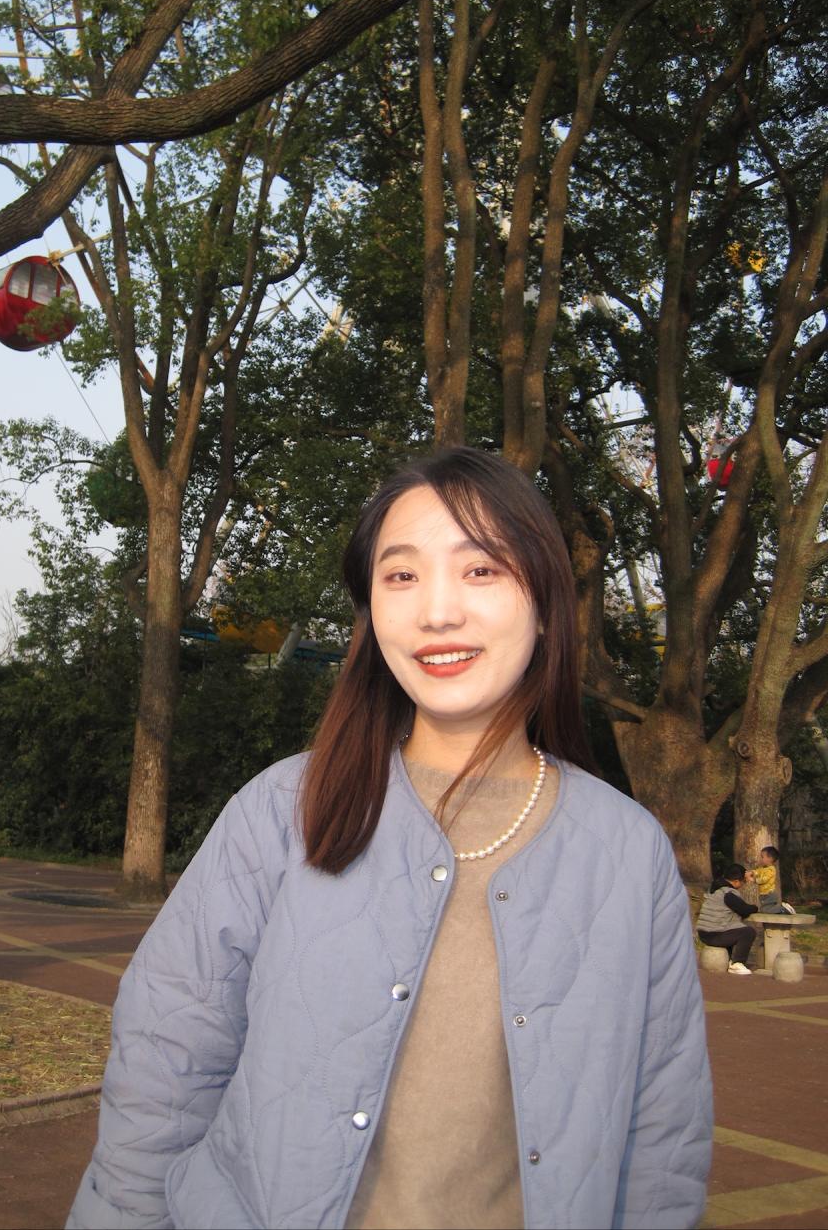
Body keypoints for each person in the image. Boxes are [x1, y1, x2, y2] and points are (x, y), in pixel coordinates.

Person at [68, 447, 712, 1230]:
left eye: (481, 569)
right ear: (370, 612)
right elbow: (164, 1063)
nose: (437, 611)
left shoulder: (628, 853)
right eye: (401, 574)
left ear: (546, 602)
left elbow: (663, 1133)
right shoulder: (282, 811)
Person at [696, 864, 758, 973]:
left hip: (704, 933)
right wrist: (755, 908)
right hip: (714, 934)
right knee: (748, 932)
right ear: (736, 881)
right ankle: (737, 963)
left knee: (731, 928)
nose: (743, 884)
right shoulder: (728, 893)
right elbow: (744, 910)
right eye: (743, 882)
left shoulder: (715, 890)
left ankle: (729, 960)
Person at [747, 846, 795, 914]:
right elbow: (757, 871)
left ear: (770, 858)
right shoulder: (763, 868)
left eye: (762, 857)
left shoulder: (771, 870)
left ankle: (783, 909)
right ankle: (780, 908)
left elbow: (764, 880)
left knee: (765, 910)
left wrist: (753, 880)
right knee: (765, 909)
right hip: (764, 894)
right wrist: (751, 872)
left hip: (769, 894)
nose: (761, 859)